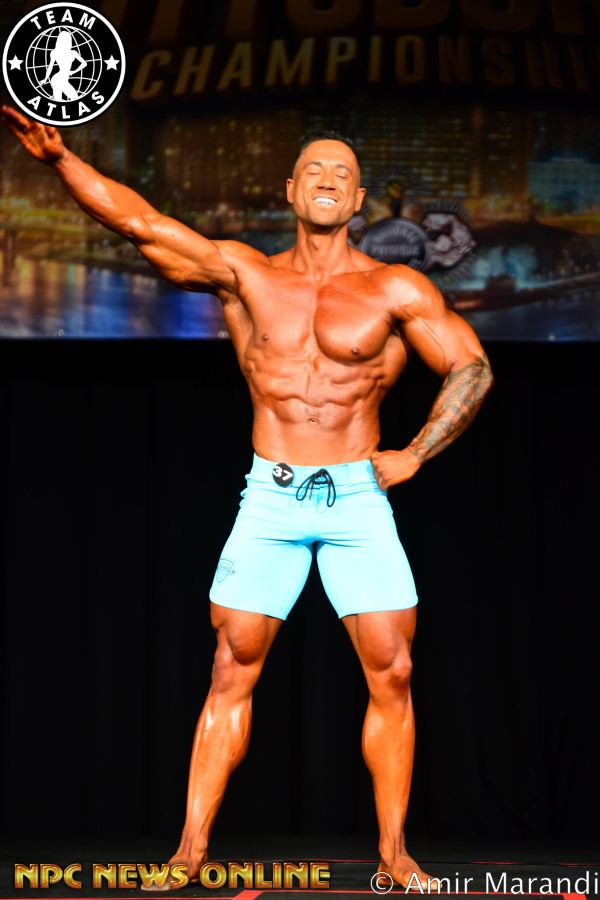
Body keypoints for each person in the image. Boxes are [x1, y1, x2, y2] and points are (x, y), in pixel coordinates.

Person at [1, 106, 493, 891]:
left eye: (342, 174)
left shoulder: (394, 287)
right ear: (290, 189)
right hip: (272, 496)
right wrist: (61, 161)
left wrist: (417, 453)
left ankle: (396, 855)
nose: (328, 180)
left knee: (394, 670)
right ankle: (188, 853)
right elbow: (142, 223)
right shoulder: (246, 274)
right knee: (231, 666)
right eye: (315, 170)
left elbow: (471, 366)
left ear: (358, 198)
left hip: (357, 500)